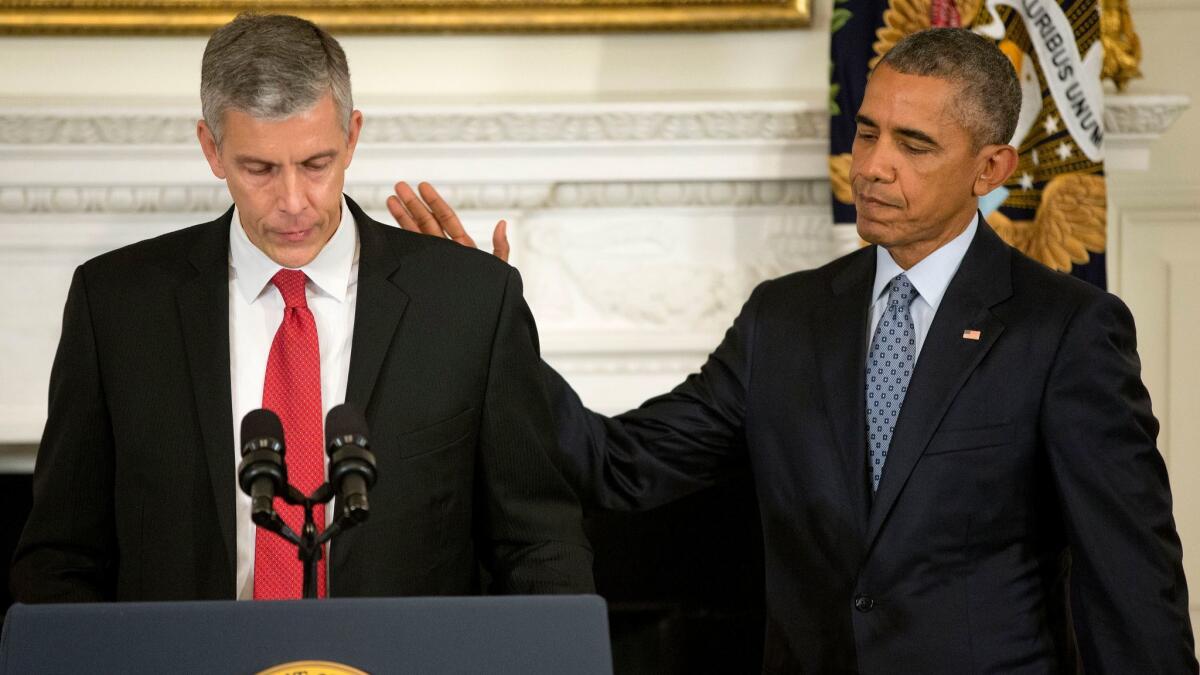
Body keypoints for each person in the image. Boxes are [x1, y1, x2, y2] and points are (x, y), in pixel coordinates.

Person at [390, 28, 1196, 673]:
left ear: (992, 168)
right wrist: (493, 325)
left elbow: (1129, 579)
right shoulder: (787, 316)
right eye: (869, 130)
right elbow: (620, 464)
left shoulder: (1066, 330)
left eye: (915, 146)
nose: (874, 165)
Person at [10, 13, 592, 603]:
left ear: (352, 137)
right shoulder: (116, 306)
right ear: (212, 149)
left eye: (316, 164)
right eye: (259, 168)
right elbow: (61, 557)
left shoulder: (471, 301)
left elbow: (539, 544)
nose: (293, 202)